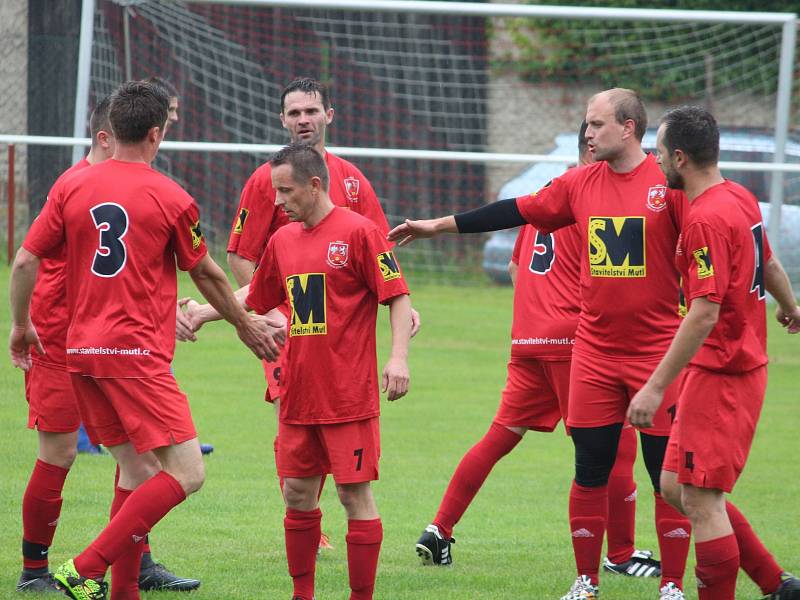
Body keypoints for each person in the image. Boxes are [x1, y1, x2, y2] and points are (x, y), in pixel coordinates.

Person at [388, 88, 694, 600]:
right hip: (588, 353)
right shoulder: (576, 184)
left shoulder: (669, 188)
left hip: (652, 356)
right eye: (587, 125)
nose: (588, 133)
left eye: (597, 124)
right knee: (591, 467)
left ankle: (672, 585)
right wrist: (439, 226)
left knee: (665, 473)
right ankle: (588, 579)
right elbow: (515, 209)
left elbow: (705, 246)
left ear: (628, 128)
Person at [9, 80, 275, 599]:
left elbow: (23, 259)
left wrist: (18, 325)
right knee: (188, 473)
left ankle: (125, 589)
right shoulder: (172, 196)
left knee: (135, 468)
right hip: (133, 356)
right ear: (155, 134)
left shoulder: (70, 185)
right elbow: (208, 275)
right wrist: (244, 324)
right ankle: (84, 567)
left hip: (78, 351)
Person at [221, 76, 419, 551]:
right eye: (294, 113)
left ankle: (331, 518)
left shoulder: (352, 180)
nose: (303, 120)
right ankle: (310, 522)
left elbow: (381, 257)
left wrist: (404, 307)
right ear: (282, 120)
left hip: (341, 338)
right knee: (295, 417)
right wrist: (268, 315)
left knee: (332, 427)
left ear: (329, 116)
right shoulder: (266, 179)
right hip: (283, 329)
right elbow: (244, 258)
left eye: (311, 111)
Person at [14, 96, 201, 595]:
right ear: (106, 136)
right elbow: (26, 261)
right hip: (60, 337)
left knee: (137, 464)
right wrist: (22, 326)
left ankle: (129, 568)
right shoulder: (73, 186)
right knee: (59, 454)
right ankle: (38, 570)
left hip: (111, 342)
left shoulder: (126, 188)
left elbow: (131, 269)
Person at [627, 105, 800, 600]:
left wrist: (654, 388)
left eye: (658, 153)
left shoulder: (705, 218)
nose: (655, 163)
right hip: (720, 368)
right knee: (675, 487)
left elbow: (703, 311)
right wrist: (790, 306)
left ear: (679, 157)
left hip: (725, 371)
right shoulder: (740, 197)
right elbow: (767, 260)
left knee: (702, 499)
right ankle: (776, 585)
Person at [245, 142, 412, 600]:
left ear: (314, 185)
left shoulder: (359, 233)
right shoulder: (281, 241)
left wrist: (398, 357)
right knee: (297, 494)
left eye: (285, 191)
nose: (278, 201)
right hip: (298, 392)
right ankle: (303, 595)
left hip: (347, 397)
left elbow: (397, 295)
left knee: (352, 496)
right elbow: (255, 298)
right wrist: (203, 311)